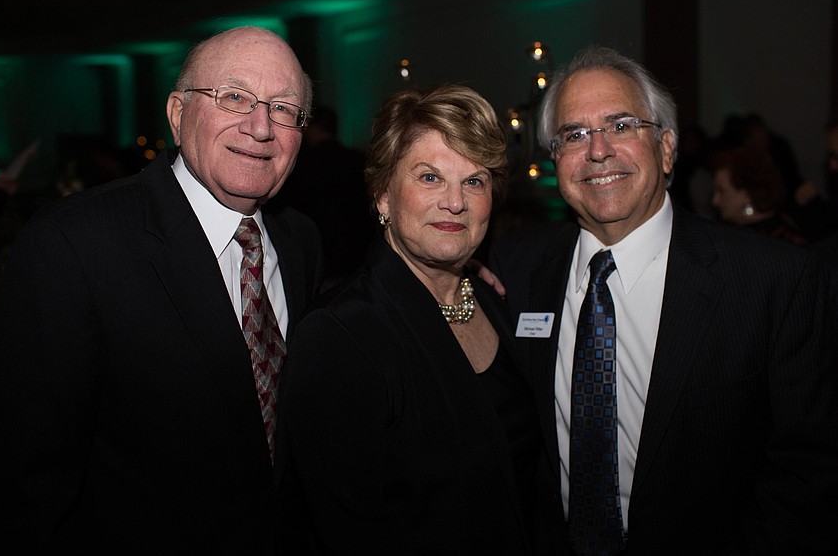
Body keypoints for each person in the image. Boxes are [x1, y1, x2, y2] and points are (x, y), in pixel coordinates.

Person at [488, 45, 838, 555]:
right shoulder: (514, 268)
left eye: (621, 125)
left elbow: (810, 471)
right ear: (555, 158)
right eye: (574, 135)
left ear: (667, 147)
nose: (598, 151)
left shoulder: (774, 281)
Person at [0, 26, 322, 552]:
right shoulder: (74, 243)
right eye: (234, 97)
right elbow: (26, 481)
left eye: (284, 109)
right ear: (177, 113)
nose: (261, 127)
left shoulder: (300, 240)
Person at [273, 84, 559, 554]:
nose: (455, 202)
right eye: (430, 177)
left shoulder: (494, 299)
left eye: (474, 181)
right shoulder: (340, 336)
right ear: (384, 195)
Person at [278, 104, 373, 290]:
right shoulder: (358, 161)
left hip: (321, 260)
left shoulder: (303, 165)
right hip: (357, 258)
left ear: (314, 127)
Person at [710, 145, 809, 246]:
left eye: (721, 191)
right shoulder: (781, 225)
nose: (715, 201)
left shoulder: (774, 239)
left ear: (747, 193)